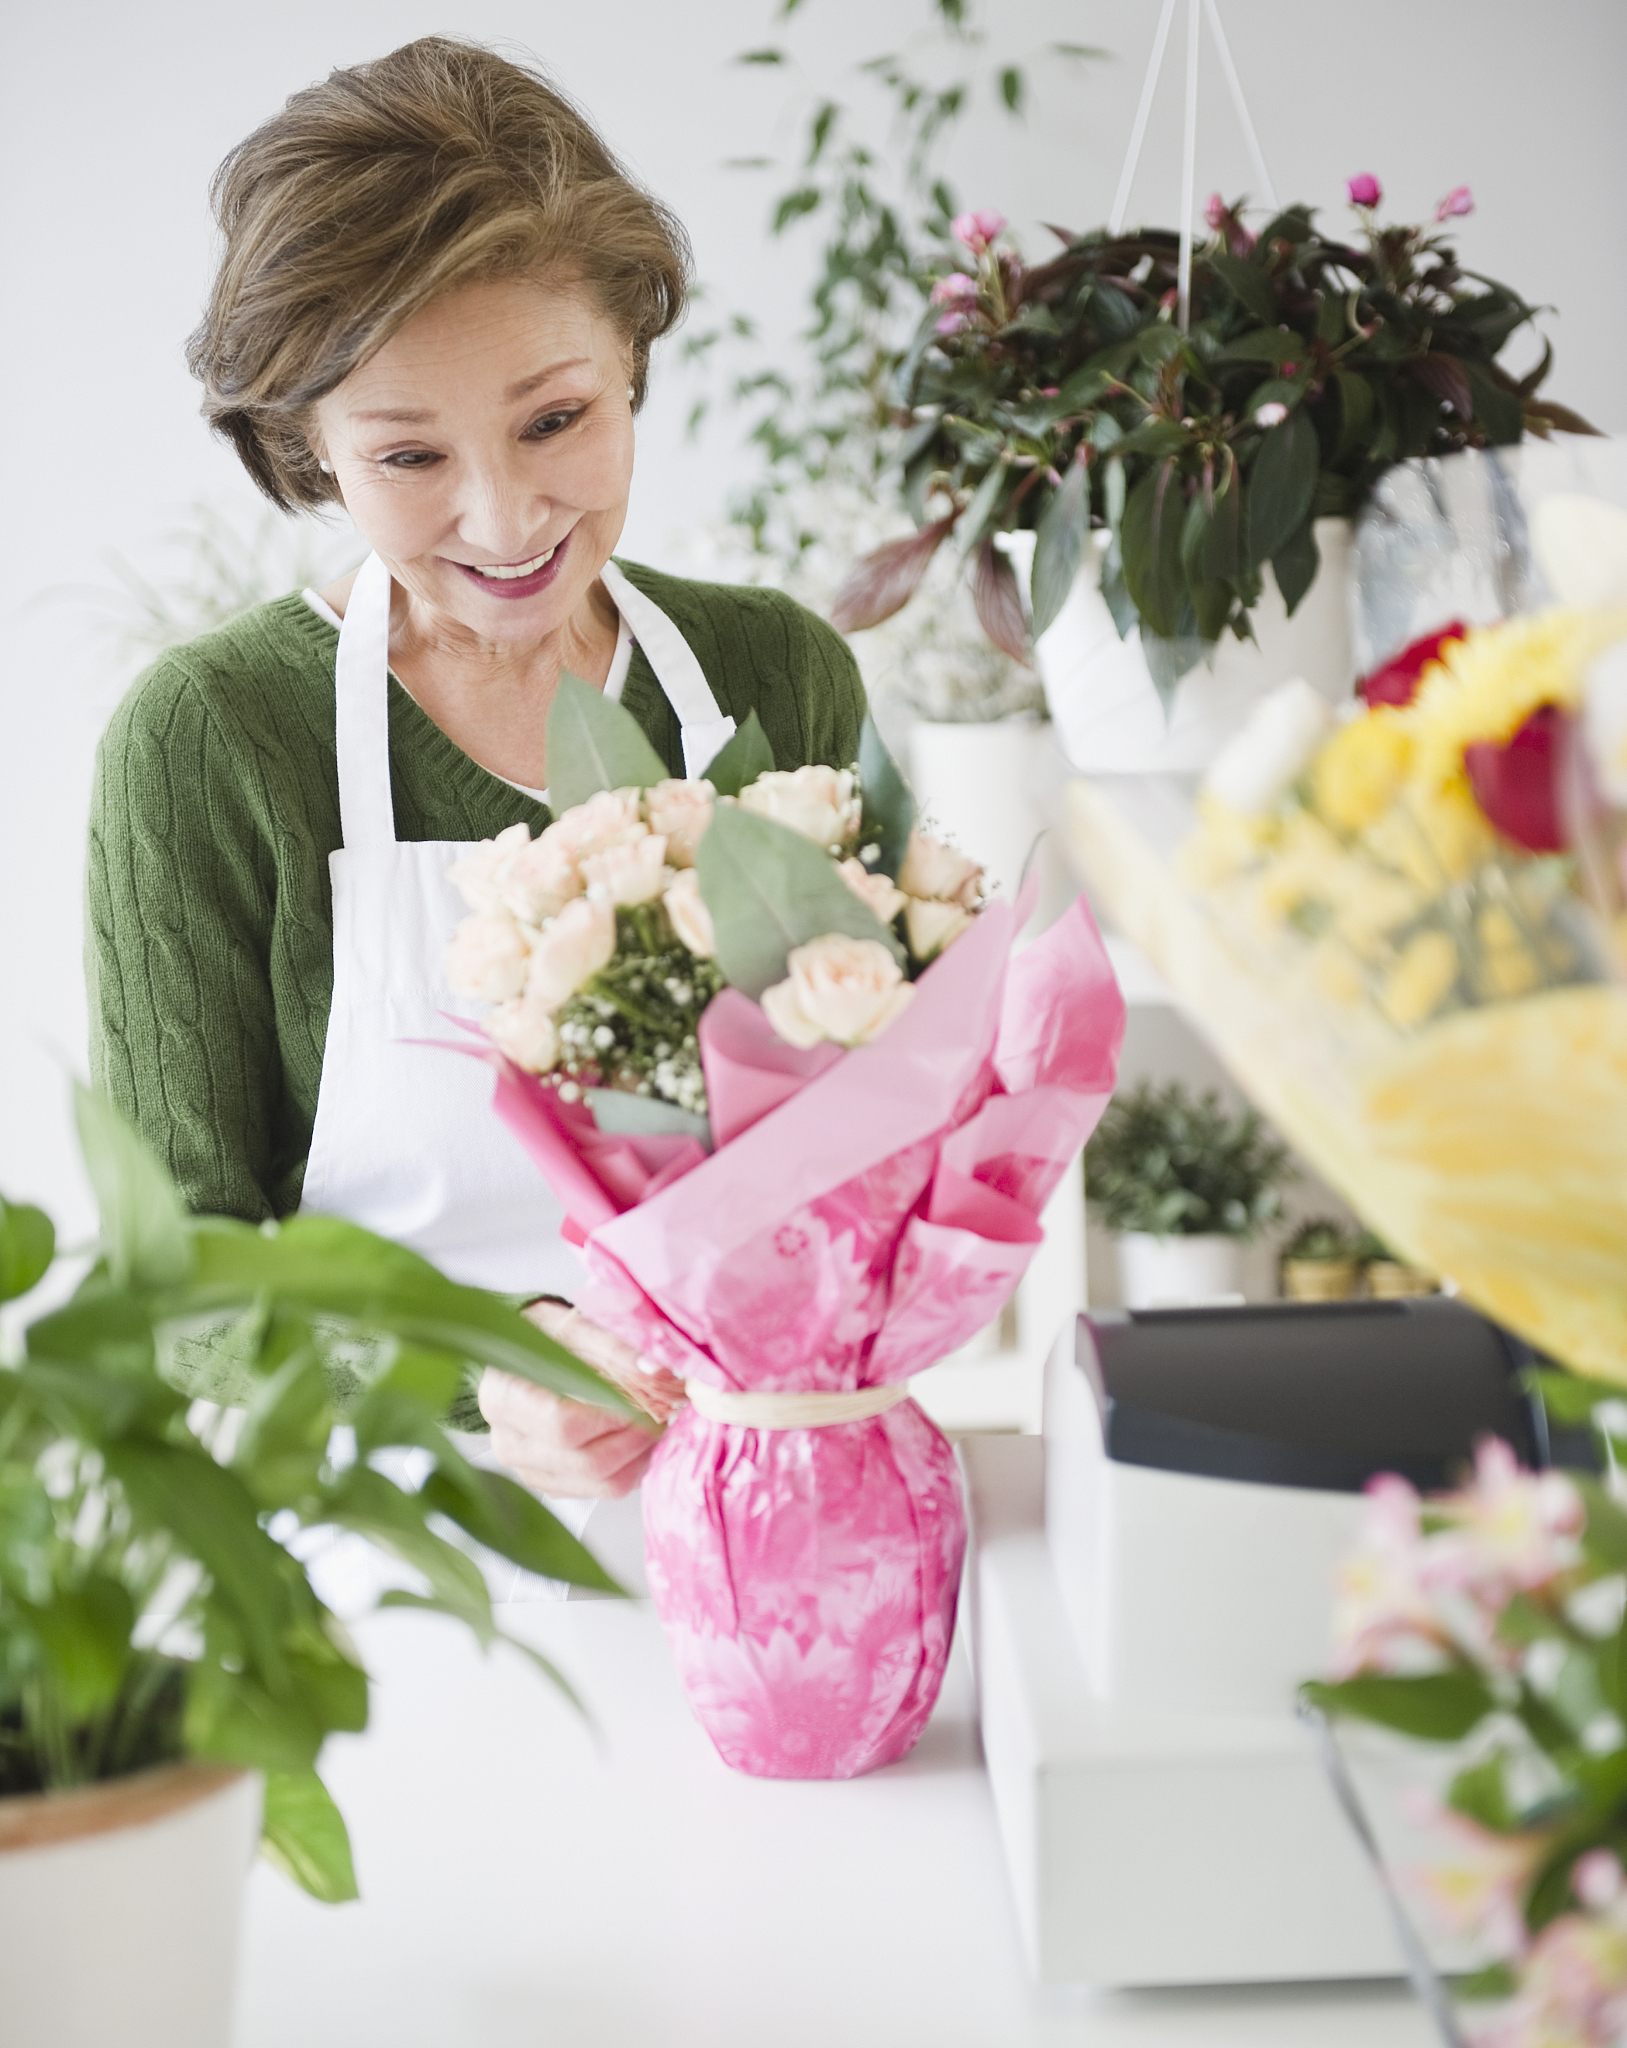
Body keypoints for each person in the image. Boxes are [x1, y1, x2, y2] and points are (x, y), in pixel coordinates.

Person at [86, 37, 865, 1516]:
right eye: (407, 457)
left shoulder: (779, 679)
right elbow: (182, 1285)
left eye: (555, 419)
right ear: (309, 451)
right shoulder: (212, 741)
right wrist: (492, 1373)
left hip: (762, 1486)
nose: (505, 516)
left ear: (631, 361)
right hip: (388, 1543)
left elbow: (849, 1140)